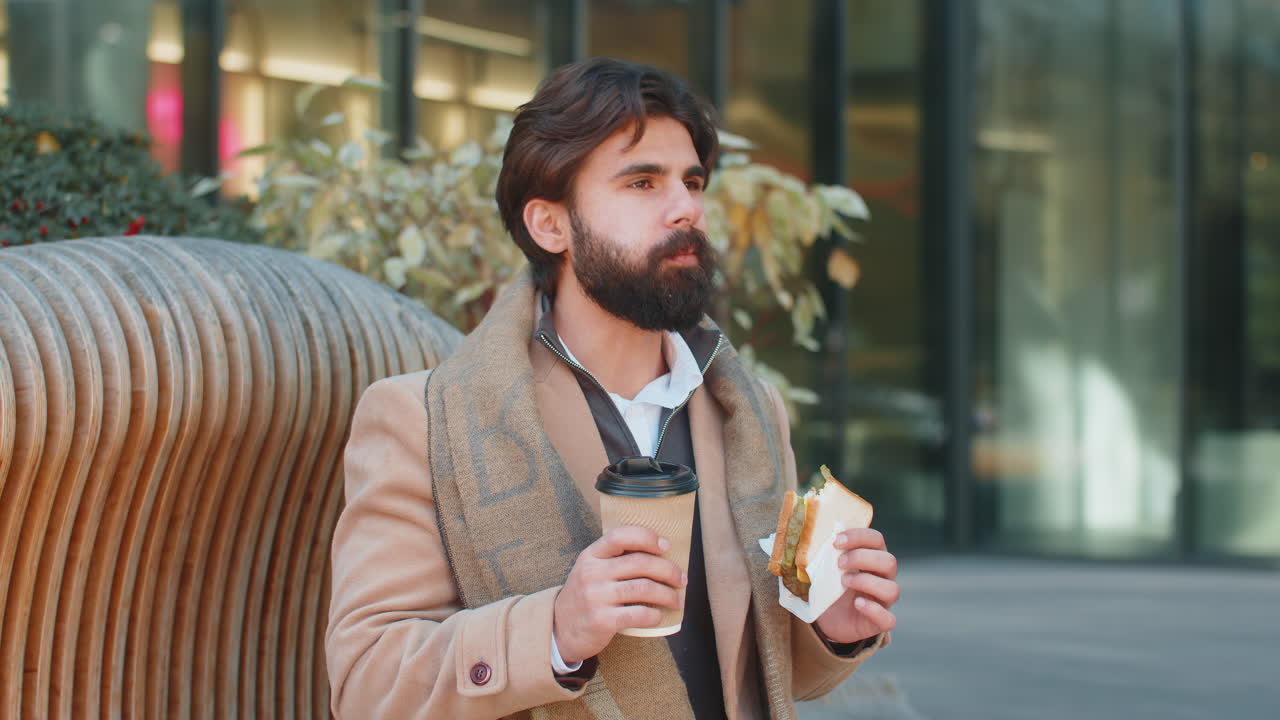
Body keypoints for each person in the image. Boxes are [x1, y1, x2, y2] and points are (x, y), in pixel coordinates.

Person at [325, 57, 899, 720]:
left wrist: (833, 627)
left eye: (691, 181)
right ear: (550, 225)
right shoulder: (420, 422)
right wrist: (556, 631)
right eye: (642, 182)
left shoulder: (749, 412)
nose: (686, 208)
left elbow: (763, 670)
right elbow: (369, 685)